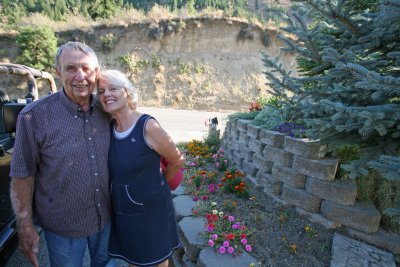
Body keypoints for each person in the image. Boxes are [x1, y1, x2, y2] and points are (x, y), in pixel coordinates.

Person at [10, 42, 114, 267]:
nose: (80, 76)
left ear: (97, 73)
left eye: (87, 68)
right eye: (70, 68)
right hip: (63, 226)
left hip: (106, 218)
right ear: (58, 72)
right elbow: (22, 175)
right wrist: (25, 225)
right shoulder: (33, 117)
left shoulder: (109, 110)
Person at [97, 69, 185, 267]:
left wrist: (160, 181)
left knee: (156, 261)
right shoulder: (109, 127)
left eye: (113, 88)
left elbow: (178, 160)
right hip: (124, 213)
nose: (106, 94)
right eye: (101, 91)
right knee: (133, 261)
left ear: (127, 92)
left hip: (153, 213)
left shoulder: (147, 126)